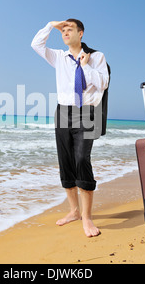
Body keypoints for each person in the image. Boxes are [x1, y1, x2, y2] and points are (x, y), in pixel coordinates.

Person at [31, 19, 109, 237]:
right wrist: (50, 25)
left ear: (80, 33)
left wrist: (86, 67)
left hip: (88, 112)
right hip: (64, 112)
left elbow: (104, 83)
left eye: (69, 29)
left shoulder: (97, 57)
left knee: (82, 159)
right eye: (63, 30)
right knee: (65, 162)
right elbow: (36, 45)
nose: (64, 33)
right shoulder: (59, 57)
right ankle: (74, 211)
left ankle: (87, 217)